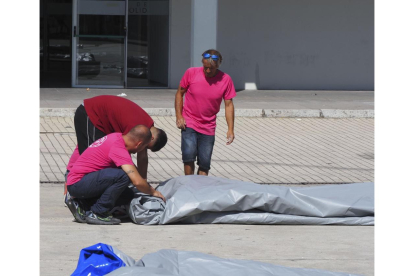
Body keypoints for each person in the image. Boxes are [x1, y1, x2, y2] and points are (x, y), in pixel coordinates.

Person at [63, 95, 168, 204]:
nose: (141, 150)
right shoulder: (136, 126)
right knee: (92, 157)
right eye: (145, 146)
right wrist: (142, 184)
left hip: (100, 117)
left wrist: (143, 182)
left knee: (92, 151)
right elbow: (127, 159)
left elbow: (142, 157)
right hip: (90, 114)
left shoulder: (145, 126)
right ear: (151, 138)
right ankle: (78, 194)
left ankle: (73, 179)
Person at [66, 125, 166, 225]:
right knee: (123, 176)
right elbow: (137, 181)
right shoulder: (118, 148)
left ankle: (83, 204)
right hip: (78, 183)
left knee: (128, 195)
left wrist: (147, 187)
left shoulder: (117, 137)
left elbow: (133, 171)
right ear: (139, 144)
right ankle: (98, 212)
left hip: (84, 182)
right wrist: (153, 192)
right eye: (144, 147)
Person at [175, 49, 236, 176]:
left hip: (208, 126)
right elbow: (179, 94)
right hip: (189, 121)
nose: (208, 71)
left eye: (211, 68)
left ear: (218, 65)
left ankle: (201, 189)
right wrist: (179, 116)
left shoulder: (226, 80)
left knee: (204, 163)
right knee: (188, 156)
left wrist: (230, 129)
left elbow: (229, 105)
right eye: (205, 67)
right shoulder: (191, 73)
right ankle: (189, 185)